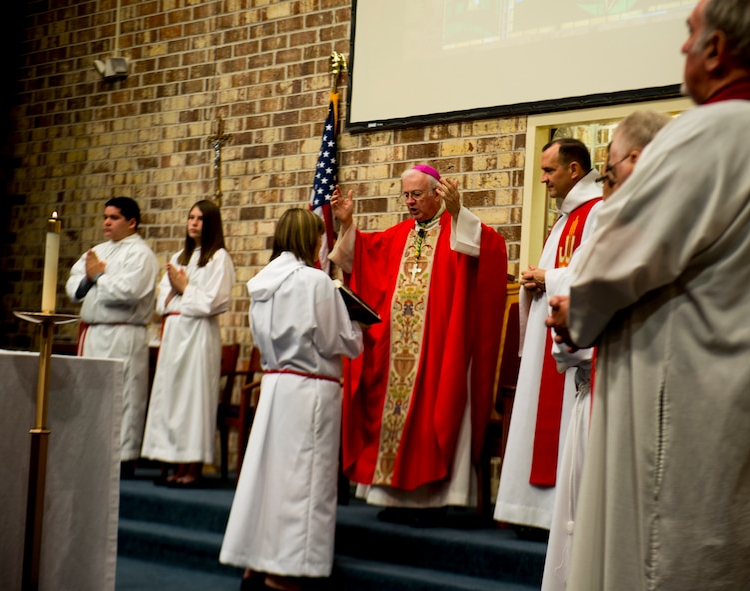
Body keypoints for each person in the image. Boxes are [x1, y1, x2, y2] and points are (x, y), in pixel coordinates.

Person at [546, 0, 750, 588]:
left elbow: (612, 261)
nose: (681, 48)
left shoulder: (708, 135)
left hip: (688, 417)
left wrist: (578, 310)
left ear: (719, 50)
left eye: (689, 33)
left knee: (668, 559)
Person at [329, 164, 507, 517]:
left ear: (437, 193)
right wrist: (347, 224)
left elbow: (491, 249)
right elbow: (360, 253)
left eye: (417, 195)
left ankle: (432, 501)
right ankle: (392, 497)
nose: (410, 202)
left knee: (434, 411)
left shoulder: (456, 228)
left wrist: (459, 213)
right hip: (395, 352)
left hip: (439, 350)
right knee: (390, 412)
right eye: (406, 195)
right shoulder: (398, 235)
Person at [541, 110, 671, 591]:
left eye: (611, 172)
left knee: (597, 527)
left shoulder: (631, 220)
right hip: (623, 391)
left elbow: (588, 308)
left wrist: (569, 317)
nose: (608, 184)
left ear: (635, 161)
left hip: (615, 394)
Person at [220, 209, 363, 591]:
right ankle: (289, 571)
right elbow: (339, 341)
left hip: (276, 386)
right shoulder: (315, 283)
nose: (321, 243)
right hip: (310, 390)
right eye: (318, 237)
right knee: (304, 481)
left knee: (269, 478)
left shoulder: (263, 281)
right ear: (308, 239)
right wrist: (357, 323)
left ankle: (256, 562)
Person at [493, 139, 602, 537]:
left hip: (572, 339)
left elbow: (594, 272)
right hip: (550, 330)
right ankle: (531, 512)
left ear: (574, 170)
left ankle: (551, 515)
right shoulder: (566, 215)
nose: (542, 179)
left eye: (549, 170)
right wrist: (535, 280)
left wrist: (547, 277)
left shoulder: (597, 211)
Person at [141, 199, 235, 487]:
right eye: (190, 217)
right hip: (175, 332)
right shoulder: (180, 256)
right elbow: (161, 300)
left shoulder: (219, 258)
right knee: (172, 397)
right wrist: (177, 293)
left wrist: (183, 290)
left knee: (194, 398)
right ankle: (174, 462)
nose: (193, 222)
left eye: (200, 218)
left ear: (211, 224)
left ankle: (192, 467)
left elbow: (214, 302)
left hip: (198, 335)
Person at [66, 196, 159, 476]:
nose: (107, 222)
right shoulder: (97, 251)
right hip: (95, 332)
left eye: (114, 217)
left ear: (132, 222)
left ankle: (122, 458)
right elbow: (73, 285)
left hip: (124, 334)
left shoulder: (141, 254)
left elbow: (128, 292)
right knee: (91, 397)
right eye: (105, 216)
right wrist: (87, 279)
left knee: (123, 397)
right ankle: (92, 453)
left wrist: (98, 278)